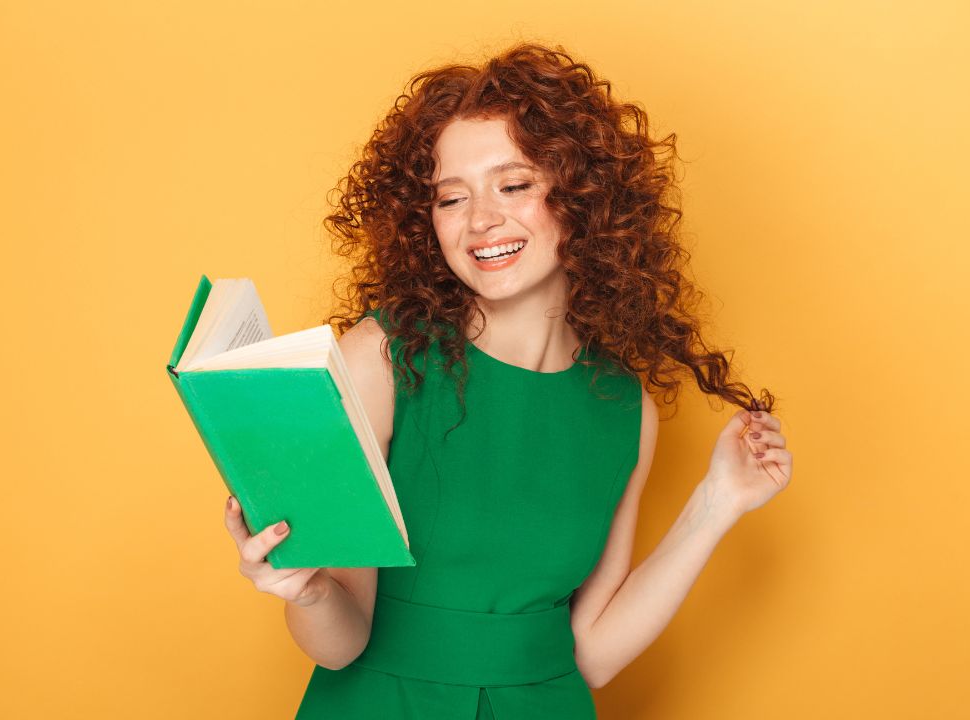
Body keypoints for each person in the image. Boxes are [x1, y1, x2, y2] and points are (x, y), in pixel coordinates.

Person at [223, 42, 795, 719]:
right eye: (449, 198)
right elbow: (340, 647)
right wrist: (307, 588)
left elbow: (592, 654)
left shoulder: (622, 407)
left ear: (581, 195)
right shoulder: (381, 360)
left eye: (513, 185)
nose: (480, 221)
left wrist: (716, 504)